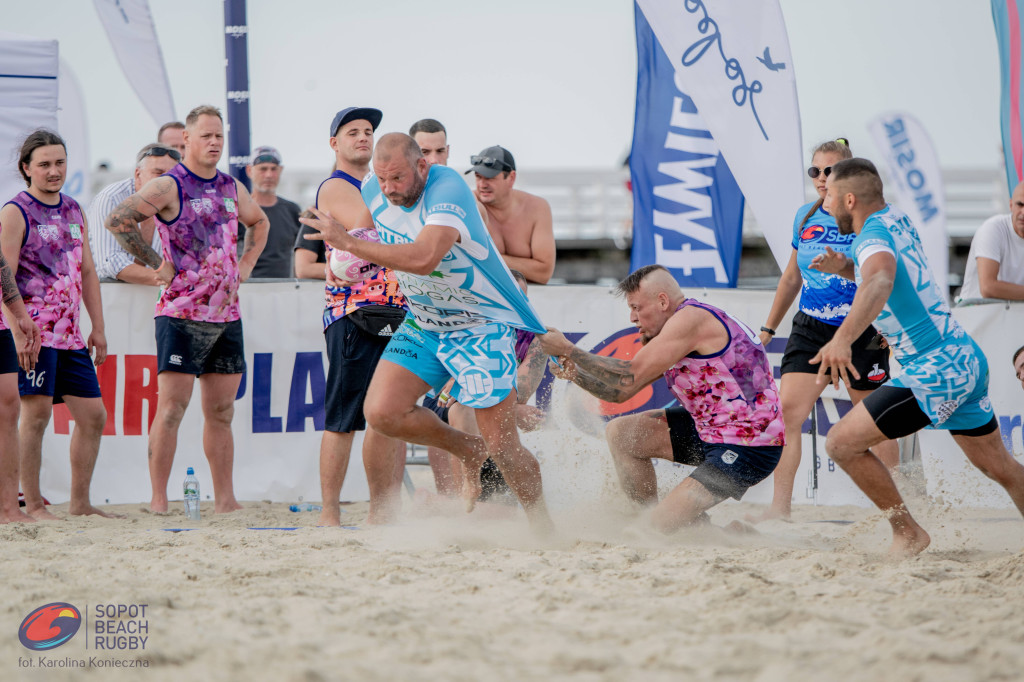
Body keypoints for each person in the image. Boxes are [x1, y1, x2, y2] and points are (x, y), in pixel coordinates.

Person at [301, 133, 554, 532]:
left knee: (504, 446)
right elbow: (362, 240)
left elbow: (422, 257)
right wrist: (341, 258)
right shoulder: (373, 188)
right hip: (425, 321)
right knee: (382, 413)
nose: (389, 189)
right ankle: (470, 452)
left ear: (422, 166)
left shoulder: (447, 186)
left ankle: (544, 527)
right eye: (382, 179)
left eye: (397, 179)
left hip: (479, 324)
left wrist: (349, 243)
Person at [811, 158, 1024, 558]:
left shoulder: (868, 238)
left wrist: (842, 338)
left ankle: (907, 532)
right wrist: (847, 269)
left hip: (934, 368)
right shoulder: (895, 218)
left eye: (831, 198)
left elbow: (882, 278)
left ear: (851, 200)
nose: (826, 206)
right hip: (964, 357)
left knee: (841, 444)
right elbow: (891, 271)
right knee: (1002, 469)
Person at [104, 105, 268, 514]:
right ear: (188, 141)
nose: (214, 143)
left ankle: (226, 500)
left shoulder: (231, 186)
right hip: (180, 314)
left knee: (221, 411)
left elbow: (259, 222)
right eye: (206, 136)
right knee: (173, 409)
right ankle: (159, 499)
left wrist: (245, 264)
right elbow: (118, 220)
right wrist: (156, 264)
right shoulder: (169, 185)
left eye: (219, 137)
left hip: (226, 316)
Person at [537, 265, 784, 533]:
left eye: (636, 307)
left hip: (750, 447)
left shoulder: (691, 320)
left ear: (663, 301)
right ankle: (662, 520)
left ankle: (719, 531)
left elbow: (627, 377)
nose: (632, 317)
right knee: (622, 433)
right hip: (710, 432)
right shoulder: (678, 327)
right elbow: (623, 392)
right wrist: (576, 375)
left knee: (655, 529)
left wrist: (569, 350)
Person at [750, 139, 897, 523]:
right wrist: (768, 327)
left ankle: (897, 508)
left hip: (860, 327)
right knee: (788, 415)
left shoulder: (870, 217)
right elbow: (791, 276)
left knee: (875, 420)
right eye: (814, 171)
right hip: (811, 326)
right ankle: (780, 510)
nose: (820, 178)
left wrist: (890, 325)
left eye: (829, 171)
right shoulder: (805, 215)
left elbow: (888, 277)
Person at [0, 129, 114, 519]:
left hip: (71, 337)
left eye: (59, 163)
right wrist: (17, 330)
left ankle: (80, 503)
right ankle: (32, 504)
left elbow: (87, 272)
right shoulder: (15, 212)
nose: (53, 171)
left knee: (93, 416)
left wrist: (97, 327)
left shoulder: (73, 209)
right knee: (36, 417)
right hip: (34, 336)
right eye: (45, 164)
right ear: (26, 168)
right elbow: (3, 278)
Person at [307, 107, 408, 526]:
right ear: (335, 143)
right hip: (354, 311)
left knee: (393, 415)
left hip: (396, 307)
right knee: (344, 416)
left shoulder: (372, 186)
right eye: (353, 132)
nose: (364, 138)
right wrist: (392, 184)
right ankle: (330, 513)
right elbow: (369, 223)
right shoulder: (336, 186)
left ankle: (383, 511)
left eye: (369, 132)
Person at [432, 270, 548, 503]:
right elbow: (445, 393)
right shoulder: (459, 325)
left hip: (496, 414)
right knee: (460, 409)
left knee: (499, 513)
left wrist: (512, 408)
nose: (512, 305)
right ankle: (461, 500)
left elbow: (521, 394)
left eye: (519, 298)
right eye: (503, 298)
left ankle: (474, 499)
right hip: (451, 413)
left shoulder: (534, 337)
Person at [88, 143, 180, 285]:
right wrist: (168, 278)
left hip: (154, 297)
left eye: (172, 175)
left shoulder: (178, 201)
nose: (165, 182)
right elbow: (110, 262)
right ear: (138, 174)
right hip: (110, 298)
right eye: (158, 173)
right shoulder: (110, 198)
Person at [467, 145, 555, 284]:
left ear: (511, 177)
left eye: (490, 178)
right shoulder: (469, 204)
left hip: (526, 299)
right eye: (478, 177)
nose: (482, 184)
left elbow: (544, 273)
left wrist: (489, 258)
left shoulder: (537, 208)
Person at [958, 182, 1024, 302]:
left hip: (1012, 316)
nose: (1023, 212)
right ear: (1011, 205)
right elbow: (988, 288)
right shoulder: (993, 228)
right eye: (1020, 204)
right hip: (976, 316)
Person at [245, 146, 301, 278]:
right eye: (263, 169)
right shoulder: (239, 211)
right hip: (248, 290)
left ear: (280, 170)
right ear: (249, 170)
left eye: (273, 169)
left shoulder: (292, 210)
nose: (269, 175)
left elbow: (301, 254)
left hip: (284, 290)